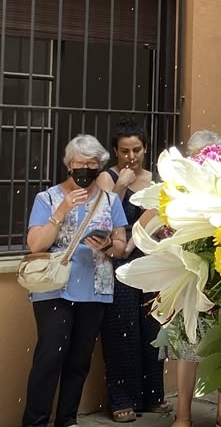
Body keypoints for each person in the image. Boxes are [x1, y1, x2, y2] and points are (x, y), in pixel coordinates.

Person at [22, 135, 128, 427]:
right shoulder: (47, 198)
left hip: (95, 288)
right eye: (79, 163)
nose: (85, 169)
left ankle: (67, 419)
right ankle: (35, 422)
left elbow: (121, 246)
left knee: (79, 360)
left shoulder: (110, 201)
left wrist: (106, 246)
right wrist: (61, 211)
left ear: (100, 166)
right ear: (69, 165)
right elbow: (35, 245)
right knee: (49, 358)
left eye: (92, 164)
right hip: (54, 287)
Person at [163, 130, 221, 427]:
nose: (202, 161)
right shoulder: (178, 187)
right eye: (196, 155)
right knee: (187, 348)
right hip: (189, 277)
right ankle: (182, 414)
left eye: (208, 155)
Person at [95, 119, 170, 422]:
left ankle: (153, 395)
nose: (131, 156)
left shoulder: (155, 180)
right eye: (124, 150)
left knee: (152, 328)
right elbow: (101, 215)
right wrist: (122, 185)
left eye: (136, 150)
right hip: (116, 262)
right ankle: (122, 399)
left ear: (145, 148)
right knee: (120, 329)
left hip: (149, 259)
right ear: (115, 150)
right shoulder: (107, 178)